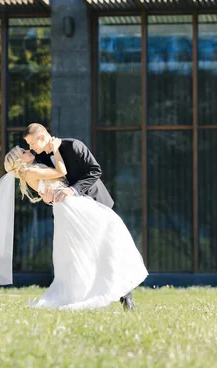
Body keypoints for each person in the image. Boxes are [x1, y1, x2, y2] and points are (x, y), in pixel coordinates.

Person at [0, 136, 148, 311]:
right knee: (110, 230)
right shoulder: (30, 171)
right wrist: (55, 150)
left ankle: (117, 290)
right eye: (23, 151)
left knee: (99, 241)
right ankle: (109, 290)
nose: (27, 150)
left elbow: (48, 189)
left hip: (67, 205)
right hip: (70, 205)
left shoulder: (33, 169)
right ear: (19, 160)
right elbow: (61, 172)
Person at [23, 123, 138, 310]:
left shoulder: (74, 146)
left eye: (32, 143)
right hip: (71, 214)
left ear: (42, 138)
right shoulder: (41, 158)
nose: (31, 148)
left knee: (108, 249)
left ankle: (126, 296)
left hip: (95, 202)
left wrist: (73, 190)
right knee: (83, 254)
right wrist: (47, 194)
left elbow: (95, 171)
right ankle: (87, 296)